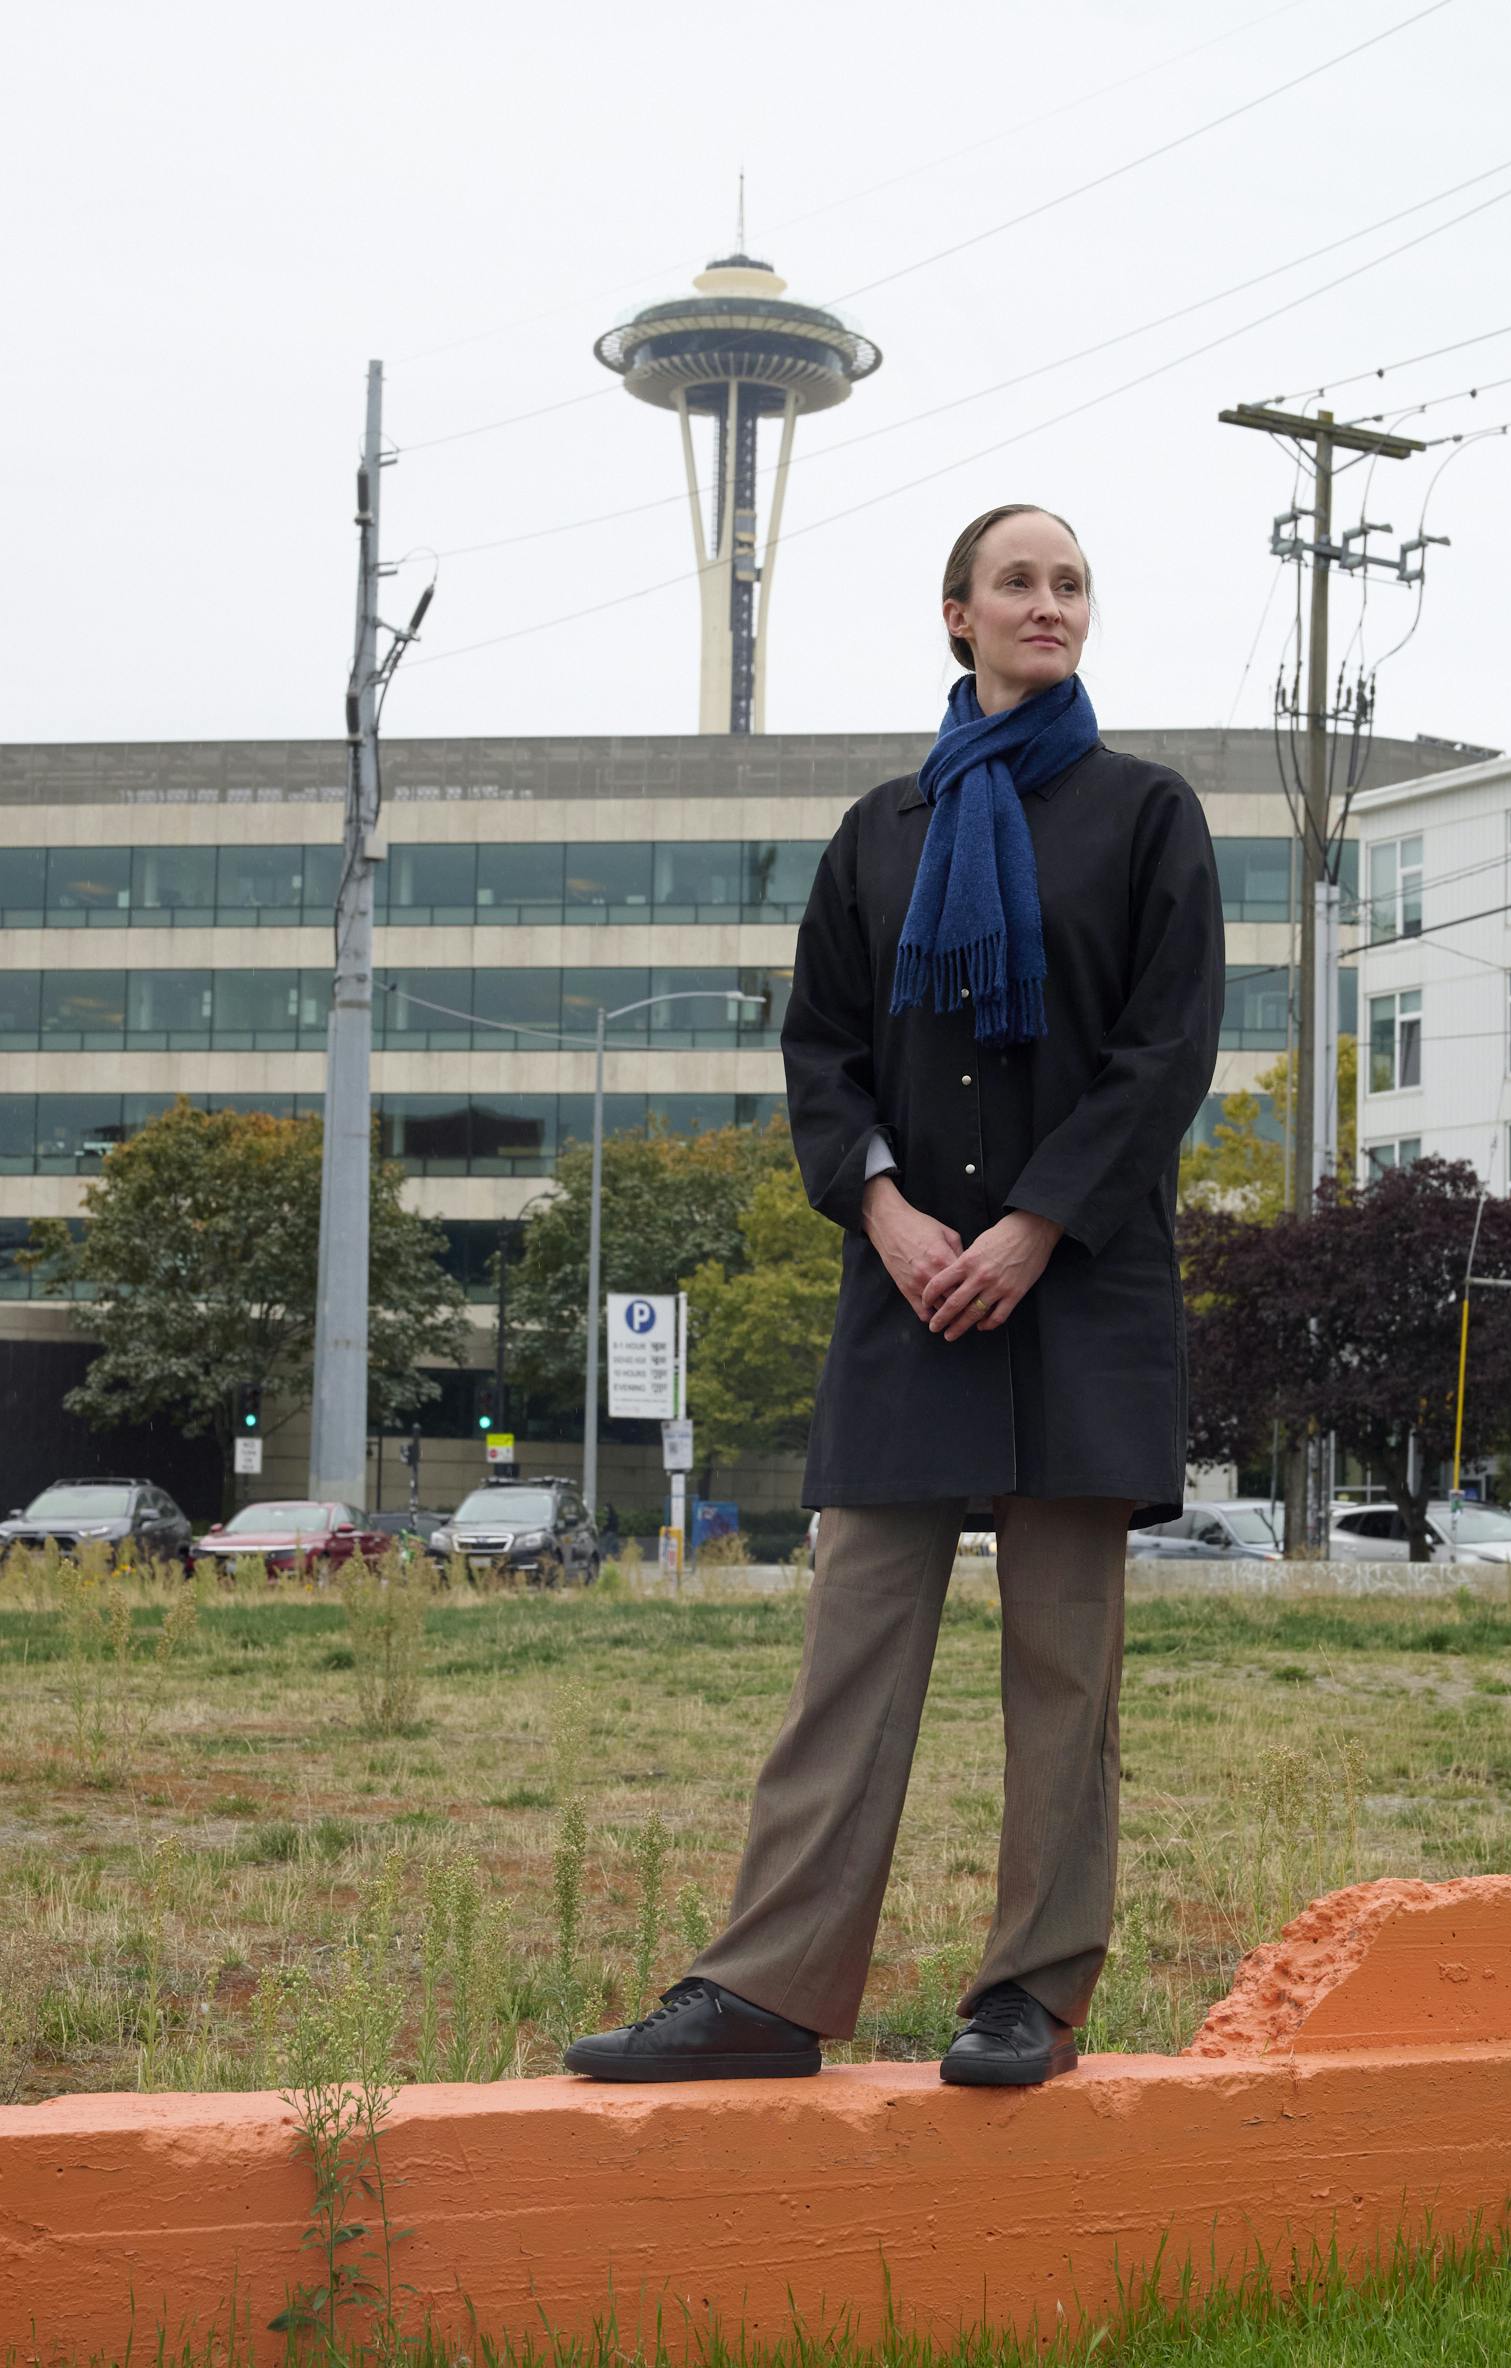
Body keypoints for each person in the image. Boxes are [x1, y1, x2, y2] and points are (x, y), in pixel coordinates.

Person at [564, 505, 1224, 2090]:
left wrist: (1036, 1227)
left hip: (1080, 1292)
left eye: (1072, 581)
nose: (1049, 604)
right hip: (907, 1291)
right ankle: (767, 1992)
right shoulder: (879, 834)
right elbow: (822, 1053)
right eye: (1019, 582)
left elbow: (1165, 1051)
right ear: (958, 617)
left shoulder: (1147, 816)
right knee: (851, 1644)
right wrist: (885, 1204)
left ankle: (1030, 1995)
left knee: (1066, 1668)